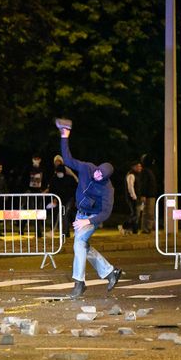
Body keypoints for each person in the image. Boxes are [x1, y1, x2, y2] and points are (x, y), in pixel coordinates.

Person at [58, 119, 122, 299]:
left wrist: (88, 221)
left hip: (91, 218)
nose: (97, 174)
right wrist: (65, 136)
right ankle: (111, 273)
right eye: (98, 171)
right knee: (83, 247)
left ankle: (79, 283)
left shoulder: (107, 189)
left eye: (101, 175)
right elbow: (68, 159)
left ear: (106, 177)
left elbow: (106, 213)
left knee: (79, 244)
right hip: (81, 214)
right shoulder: (87, 168)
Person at [19, 154, 46, 237]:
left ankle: (38, 232)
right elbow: (23, 179)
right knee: (28, 212)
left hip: (39, 193)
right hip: (29, 193)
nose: (36, 160)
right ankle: (21, 229)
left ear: (40, 160)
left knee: (38, 212)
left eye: (38, 158)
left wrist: (44, 189)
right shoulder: (28, 168)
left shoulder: (42, 169)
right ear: (32, 159)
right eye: (35, 158)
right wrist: (26, 190)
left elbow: (45, 179)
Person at [48, 164, 76, 237]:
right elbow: (52, 190)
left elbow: (74, 190)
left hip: (69, 199)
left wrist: (74, 200)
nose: (59, 174)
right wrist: (54, 199)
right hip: (59, 200)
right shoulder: (54, 180)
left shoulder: (70, 179)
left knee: (66, 215)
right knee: (61, 215)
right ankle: (65, 232)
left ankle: (65, 233)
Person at [121, 161, 142, 235]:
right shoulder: (131, 175)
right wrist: (134, 196)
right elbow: (130, 187)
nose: (140, 168)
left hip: (136, 197)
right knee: (134, 214)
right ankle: (124, 226)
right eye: (138, 166)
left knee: (137, 215)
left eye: (140, 166)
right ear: (133, 167)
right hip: (132, 198)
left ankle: (134, 230)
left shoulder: (137, 175)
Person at [140, 153, 157, 234]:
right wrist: (143, 195)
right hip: (148, 196)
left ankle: (148, 228)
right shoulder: (145, 171)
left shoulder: (150, 170)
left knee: (150, 212)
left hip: (151, 195)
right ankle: (145, 229)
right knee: (147, 212)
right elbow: (144, 183)